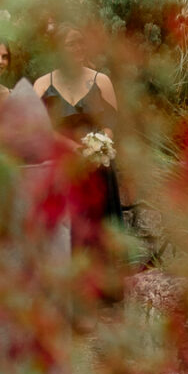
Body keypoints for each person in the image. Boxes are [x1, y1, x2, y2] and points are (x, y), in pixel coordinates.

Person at [35, 23, 122, 243]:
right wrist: (72, 148)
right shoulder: (43, 85)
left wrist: (99, 147)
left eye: (81, 43)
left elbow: (111, 124)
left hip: (95, 165)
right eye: (71, 44)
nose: (78, 49)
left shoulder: (101, 81)